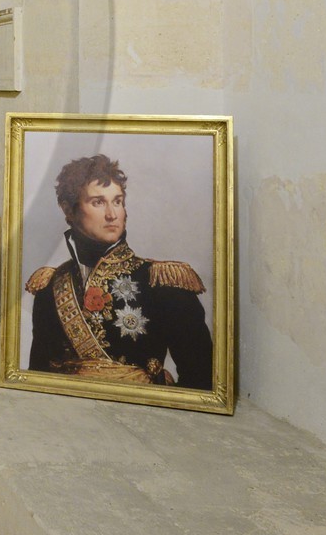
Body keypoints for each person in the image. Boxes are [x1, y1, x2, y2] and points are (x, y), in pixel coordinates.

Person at [24, 154, 213, 389]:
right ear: (69, 210)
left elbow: (201, 385)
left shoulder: (165, 284)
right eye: (98, 202)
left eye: (118, 201)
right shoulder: (50, 285)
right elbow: (36, 380)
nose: (112, 214)